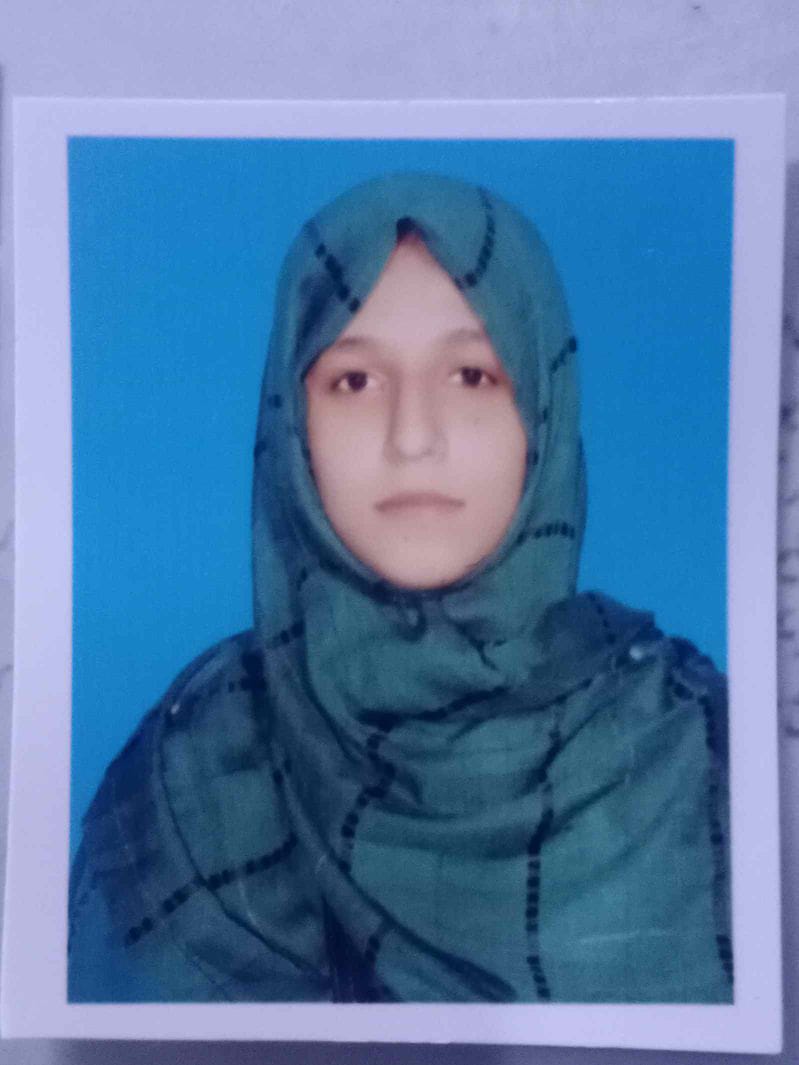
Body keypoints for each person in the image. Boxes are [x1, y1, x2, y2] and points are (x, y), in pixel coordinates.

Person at [68, 171, 733, 1004]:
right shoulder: (194, 772)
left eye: (471, 376)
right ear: (291, 424)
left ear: (543, 411)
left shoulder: (696, 752)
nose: (413, 437)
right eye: (355, 381)